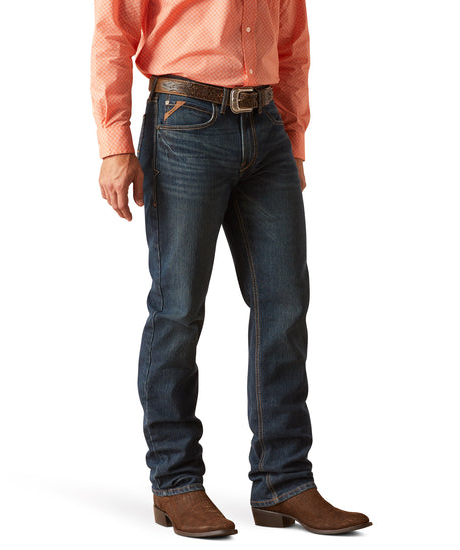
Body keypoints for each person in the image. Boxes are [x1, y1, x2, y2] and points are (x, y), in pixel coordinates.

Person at [90, 0, 372, 539]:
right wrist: (114, 145)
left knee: (284, 308)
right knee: (178, 309)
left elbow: (292, 44)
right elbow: (113, 32)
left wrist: (293, 141)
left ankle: (284, 480)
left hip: (266, 127)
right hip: (183, 120)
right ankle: (175, 481)